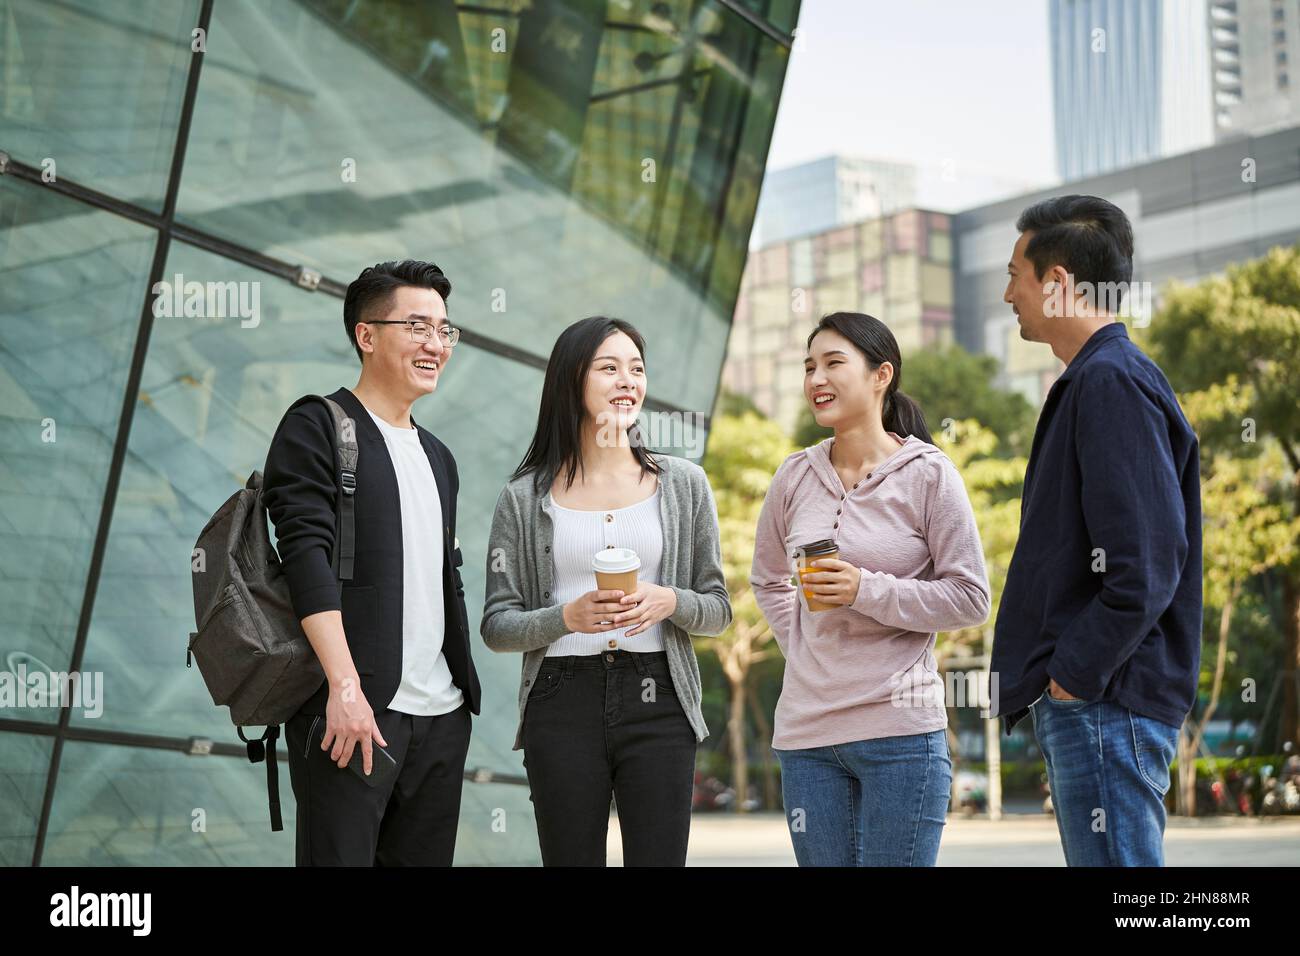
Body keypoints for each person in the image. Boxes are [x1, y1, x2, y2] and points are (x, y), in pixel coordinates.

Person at [990, 195, 1202, 867]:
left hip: (1108, 702)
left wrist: (1073, 678)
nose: (1007, 294)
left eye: (1016, 273)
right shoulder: (1097, 379)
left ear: (1056, 283)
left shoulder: (1110, 380)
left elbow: (1146, 565)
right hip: (1100, 701)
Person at [480, 316, 731, 866]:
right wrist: (565, 617)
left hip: (660, 694)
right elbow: (498, 626)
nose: (628, 381)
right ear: (572, 380)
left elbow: (718, 610)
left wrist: (670, 601)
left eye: (637, 369)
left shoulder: (684, 484)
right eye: (609, 368)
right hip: (560, 697)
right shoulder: (523, 498)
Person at [750, 311, 990, 866]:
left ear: (882, 375)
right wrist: (806, 649)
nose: (816, 379)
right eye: (810, 366)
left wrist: (864, 588)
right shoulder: (793, 475)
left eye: (834, 363)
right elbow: (767, 578)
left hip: (900, 735)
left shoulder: (929, 475)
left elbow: (970, 597)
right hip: (806, 737)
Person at [263, 259, 481, 866]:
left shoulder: (439, 456)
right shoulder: (318, 425)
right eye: (417, 326)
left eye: (444, 330)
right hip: (353, 712)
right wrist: (345, 687)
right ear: (366, 334)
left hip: (440, 716)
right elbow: (305, 556)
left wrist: (458, 703)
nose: (436, 344)